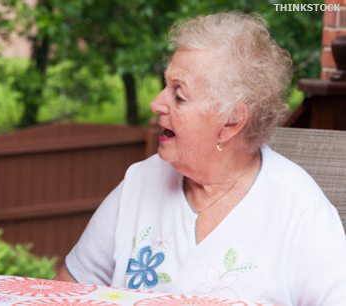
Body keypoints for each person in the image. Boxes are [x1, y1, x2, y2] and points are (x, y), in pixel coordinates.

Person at [54, 11, 346, 305]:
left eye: (179, 95)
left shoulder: (300, 212)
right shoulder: (140, 182)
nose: (157, 103)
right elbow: (68, 291)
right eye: (165, 86)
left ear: (231, 121)